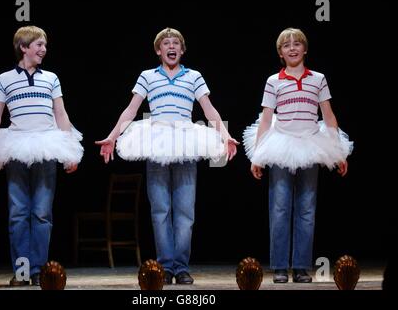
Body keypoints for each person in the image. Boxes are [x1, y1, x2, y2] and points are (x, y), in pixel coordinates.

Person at [95, 27, 239, 285]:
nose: (171, 47)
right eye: (166, 43)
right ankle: (165, 266)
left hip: (185, 140)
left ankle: (181, 267)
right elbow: (131, 109)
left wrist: (225, 135)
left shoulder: (194, 76)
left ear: (182, 50)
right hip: (157, 141)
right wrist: (113, 135)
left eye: (176, 43)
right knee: (160, 209)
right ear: (158, 50)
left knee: (185, 210)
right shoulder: (148, 76)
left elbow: (209, 110)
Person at [243, 28, 353, 283]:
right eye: (286, 45)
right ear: (280, 53)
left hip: (311, 144)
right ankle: (281, 266)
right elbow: (266, 118)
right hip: (282, 145)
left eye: (297, 44)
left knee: (306, 209)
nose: (292, 48)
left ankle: (301, 266)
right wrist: (257, 155)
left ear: (305, 49)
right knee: (280, 207)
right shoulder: (274, 81)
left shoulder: (318, 78)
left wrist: (337, 151)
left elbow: (328, 114)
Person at [0, 26, 83, 286]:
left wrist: (69, 148)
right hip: (17, 147)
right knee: (18, 212)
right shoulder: (4, 79)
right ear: (23, 47)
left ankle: (39, 270)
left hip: (46, 144)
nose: (43, 49)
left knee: (42, 212)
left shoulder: (51, 78)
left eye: (44, 45)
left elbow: (61, 114)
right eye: (38, 45)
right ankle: (23, 271)